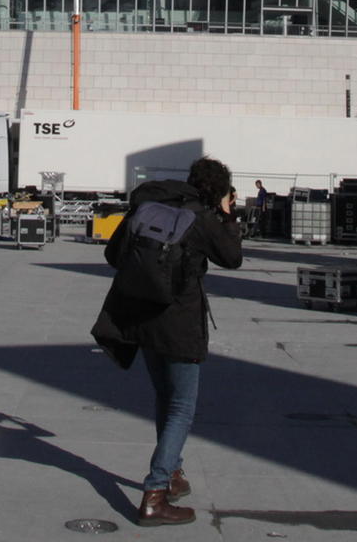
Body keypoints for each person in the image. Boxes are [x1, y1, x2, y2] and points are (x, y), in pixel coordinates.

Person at [90, 157, 243, 527]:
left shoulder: (151, 206)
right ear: (220, 191)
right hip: (179, 325)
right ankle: (155, 493)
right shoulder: (203, 219)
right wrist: (227, 215)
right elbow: (233, 258)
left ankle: (173, 473)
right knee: (182, 408)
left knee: (164, 397)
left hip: (144, 322)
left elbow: (112, 254)